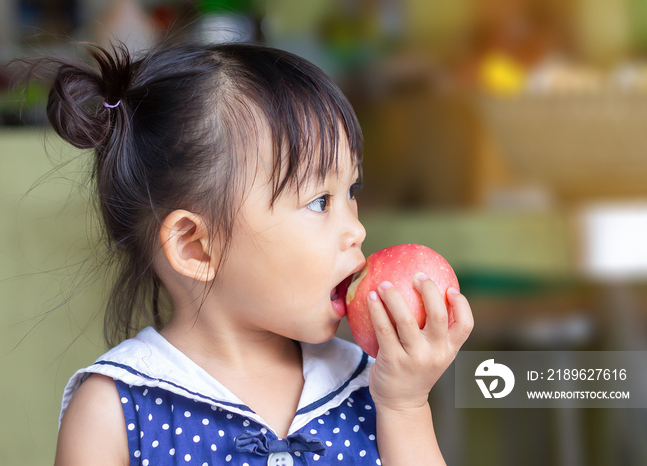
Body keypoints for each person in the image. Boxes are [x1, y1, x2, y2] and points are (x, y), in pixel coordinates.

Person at [38, 40, 474, 465]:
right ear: (195, 246)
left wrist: (405, 407)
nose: (356, 229)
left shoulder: (373, 384)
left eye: (351, 191)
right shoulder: (115, 412)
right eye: (320, 201)